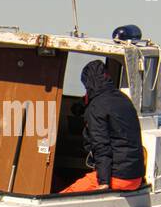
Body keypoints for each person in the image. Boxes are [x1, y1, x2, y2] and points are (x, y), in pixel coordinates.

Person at [61, 59, 146, 194]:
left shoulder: (96, 107)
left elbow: (101, 146)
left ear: (89, 83)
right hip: (135, 177)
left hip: (118, 177)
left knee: (64, 196)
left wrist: (104, 182)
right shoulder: (123, 100)